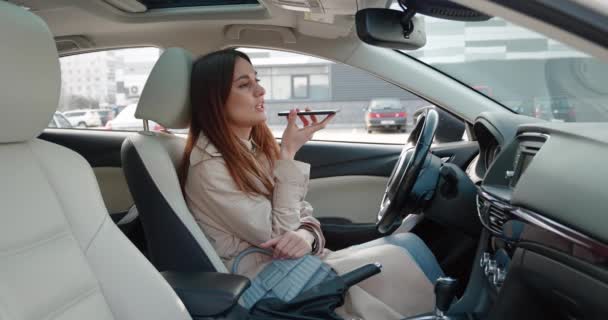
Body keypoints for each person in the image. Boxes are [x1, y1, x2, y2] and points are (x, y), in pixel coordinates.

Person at [180, 49, 442, 319]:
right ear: (215, 100)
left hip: (294, 265)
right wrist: (289, 153)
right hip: (270, 283)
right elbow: (279, 234)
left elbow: (300, 213)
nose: (260, 90)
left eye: (256, 80)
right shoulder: (210, 168)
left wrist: (307, 236)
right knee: (403, 259)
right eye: (245, 85)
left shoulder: (251, 149)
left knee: (407, 245)